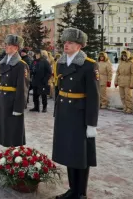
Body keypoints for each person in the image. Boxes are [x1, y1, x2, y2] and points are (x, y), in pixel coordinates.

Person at [52, 28, 99, 199]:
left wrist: (92, 124)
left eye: (70, 42)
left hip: (80, 115)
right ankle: (72, 189)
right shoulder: (61, 63)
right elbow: (58, 90)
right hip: (65, 113)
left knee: (81, 155)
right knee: (69, 152)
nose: (66, 45)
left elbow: (94, 97)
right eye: (65, 42)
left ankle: (80, 193)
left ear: (79, 45)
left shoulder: (88, 65)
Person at [0, 34, 30, 147]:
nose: (6, 46)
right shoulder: (2, 63)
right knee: (3, 128)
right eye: (6, 44)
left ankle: (13, 153)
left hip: (12, 101)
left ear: (16, 48)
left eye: (9, 45)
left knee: (12, 129)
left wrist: (19, 107)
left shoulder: (21, 65)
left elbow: (23, 87)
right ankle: (6, 152)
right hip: (2, 99)